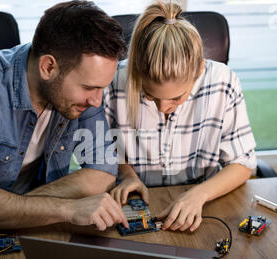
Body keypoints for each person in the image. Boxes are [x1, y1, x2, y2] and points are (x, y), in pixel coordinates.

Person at [0, 1, 129, 231]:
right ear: (48, 67)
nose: (97, 101)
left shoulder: (86, 96)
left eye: (101, 88)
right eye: (88, 87)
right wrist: (67, 209)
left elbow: (102, 172)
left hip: (27, 226)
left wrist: (20, 209)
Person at [104, 1, 257, 232]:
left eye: (176, 98)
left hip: (206, 206)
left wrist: (199, 194)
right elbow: (104, 150)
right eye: (151, 97)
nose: (164, 107)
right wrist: (126, 174)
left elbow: (243, 163)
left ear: (199, 70)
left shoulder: (223, 82)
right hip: (138, 205)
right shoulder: (114, 80)